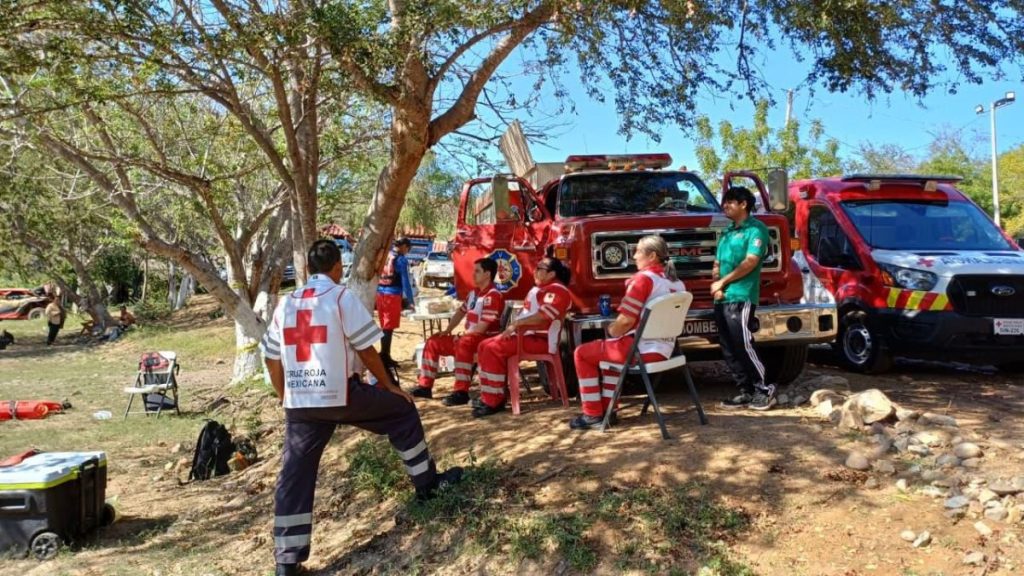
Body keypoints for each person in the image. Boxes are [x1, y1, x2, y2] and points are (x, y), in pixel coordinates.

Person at [260, 239, 462, 576]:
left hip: (301, 404)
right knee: (402, 412)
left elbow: (271, 357)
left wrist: (285, 395)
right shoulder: (340, 298)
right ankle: (427, 486)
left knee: (294, 474)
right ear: (338, 267)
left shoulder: (286, 304)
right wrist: (389, 386)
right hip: (341, 394)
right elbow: (368, 350)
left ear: (309, 269)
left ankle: (286, 561)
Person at [570, 235, 686, 430]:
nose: (634, 256)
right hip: (667, 350)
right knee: (610, 355)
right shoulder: (676, 283)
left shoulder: (643, 280)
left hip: (641, 351)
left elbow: (625, 322)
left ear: (652, 256)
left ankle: (592, 414)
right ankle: (609, 410)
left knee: (582, 353)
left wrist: (611, 331)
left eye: (638, 251)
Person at [473, 257, 572, 418]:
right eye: (536, 267)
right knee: (484, 345)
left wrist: (516, 324)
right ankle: (490, 395)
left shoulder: (557, 290)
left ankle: (494, 401)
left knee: (492, 348)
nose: (535, 271)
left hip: (540, 341)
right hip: (525, 336)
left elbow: (543, 317)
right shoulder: (541, 288)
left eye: (540, 268)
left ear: (552, 274)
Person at [713, 186, 775, 411]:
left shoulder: (756, 230)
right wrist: (716, 284)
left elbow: (750, 262)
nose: (725, 206)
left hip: (742, 295)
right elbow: (717, 262)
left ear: (743, 204)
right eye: (725, 202)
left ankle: (764, 390)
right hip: (722, 298)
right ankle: (746, 391)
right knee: (728, 347)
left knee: (744, 343)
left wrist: (723, 282)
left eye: (730, 202)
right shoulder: (727, 232)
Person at [412, 258, 503, 405]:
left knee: (464, 343)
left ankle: (461, 392)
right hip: (469, 338)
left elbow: (483, 327)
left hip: (485, 339)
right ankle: (425, 386)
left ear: (488, 274)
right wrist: (448, 330)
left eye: (477, 271)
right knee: (433, 341)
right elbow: (460, 313)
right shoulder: (474, 293)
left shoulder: (493, 295)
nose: (473, 274)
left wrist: (463, 336)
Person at [375, 237, 415, 367]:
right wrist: (410, 300)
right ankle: (384, 357)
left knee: (385, 326)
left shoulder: (387, 256)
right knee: (388, 328)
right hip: (392, 295)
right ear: (405, 247)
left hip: (380, 294)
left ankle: (385, 355)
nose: (407, 252)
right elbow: (405, 281)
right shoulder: (401, 260)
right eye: (408, 249)